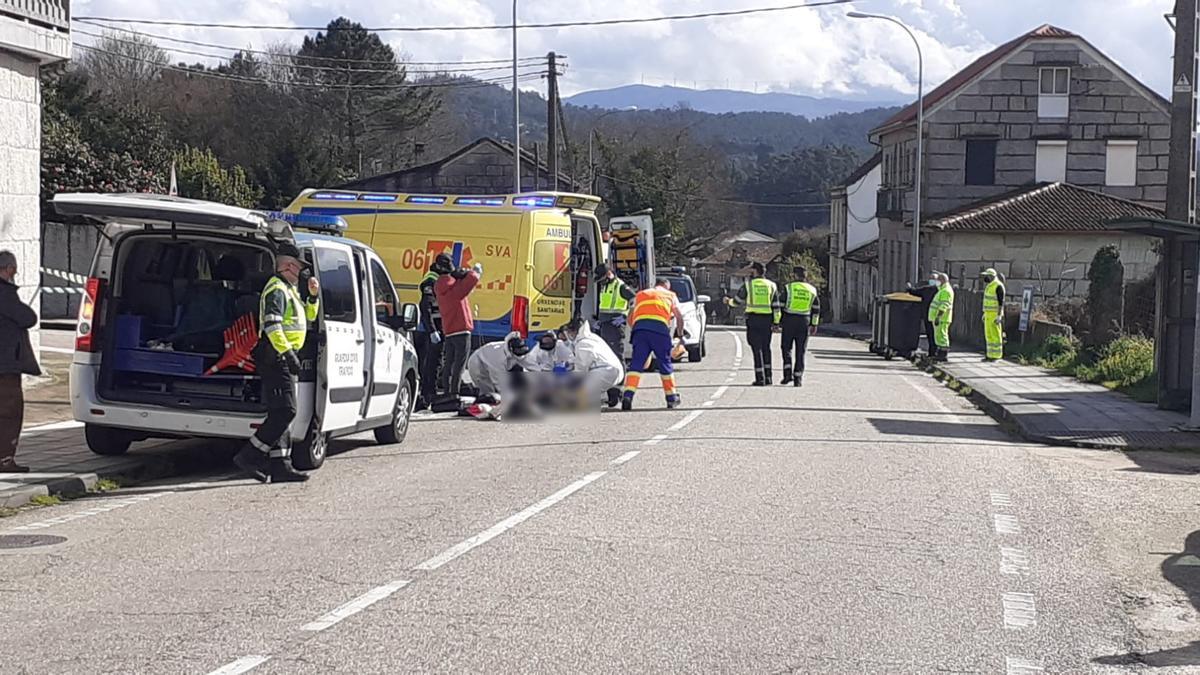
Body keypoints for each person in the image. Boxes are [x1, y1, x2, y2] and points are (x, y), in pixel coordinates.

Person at [233, 243, 319, 483]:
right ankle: (250, 455)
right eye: (301, 268)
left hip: (283, 354)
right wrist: (288, 354)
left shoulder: (289, 289)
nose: (303, 273)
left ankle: (281, 465)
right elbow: (272, 325)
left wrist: (313, 297)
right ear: (289, 265)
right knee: (286, 410)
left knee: (282, 411)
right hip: (276, 355)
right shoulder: (277, 289)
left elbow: (309, 318)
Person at [621, 278, 685, 410]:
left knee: (636, 365)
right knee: (664, 363)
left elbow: (630, 318)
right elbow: (679, 317)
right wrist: (680, 336)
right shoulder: (670, 295)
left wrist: (638, 329)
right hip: (660, 331)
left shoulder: (641, 294)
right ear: (666, 286)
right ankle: (671, 398)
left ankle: (628, 396)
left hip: (640, 331)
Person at [0, 250, 38, 473]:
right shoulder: (4, 293)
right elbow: (28, 317)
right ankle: (5, 459)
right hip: (4, 364)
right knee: (9, 412)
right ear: (9, 269)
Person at [434, 260, 482, 400]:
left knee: (449, 363)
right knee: (459, 365)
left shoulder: (440, 287)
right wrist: (474, 270)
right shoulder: (456, 289)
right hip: (462, 330)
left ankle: (447, 391)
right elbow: (472, 279)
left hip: (449, 330)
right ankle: (454, 392)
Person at [728, 262, 780, 385]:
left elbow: (737, 301)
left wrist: (728, 301)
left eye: (752, 270)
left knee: (757, 349)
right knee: (766, 348)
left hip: (754, 320)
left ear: (755, 271)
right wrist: (776, 322)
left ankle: (760, 378)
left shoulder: (749, 285)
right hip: (767, 320)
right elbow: (776, 307)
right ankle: (768, 377)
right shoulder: (772, 285)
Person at [415, 254, 452, 409]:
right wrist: (432, 330)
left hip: (438, 326)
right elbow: (426, 308)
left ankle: (430, 392)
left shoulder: (439, 277)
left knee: (436, 361)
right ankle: (427, 394)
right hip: (430, 327)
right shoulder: (430, 281)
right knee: (431, 363)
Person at [563, 318, 625, 408]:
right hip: (614, 370)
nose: (568, 335)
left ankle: (593, 400)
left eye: (569, 332)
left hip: (604, 372)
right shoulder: (593, 337)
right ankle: (605, 397)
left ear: (574, 332)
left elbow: (581, 368)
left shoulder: (582, 343)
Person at [779, 266, 821, 387]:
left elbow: (781, 304)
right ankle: (798, 378)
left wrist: (778, 321)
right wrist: (814, 324)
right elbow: (816, 309)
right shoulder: (812, 290)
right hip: (804, 321)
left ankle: (787, 375)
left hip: (789, 320)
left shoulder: (789, 288)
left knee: (786, 348)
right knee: (800, 350)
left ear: (794, 275)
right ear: (805, 276)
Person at [465, 331, 533, 402]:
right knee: (489, 394)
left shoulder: (516, 353)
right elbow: (500, 382)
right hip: (478, 364)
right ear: (511, 349)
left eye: (522, 350)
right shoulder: (499, 358)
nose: (521, 353)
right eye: (518, 351)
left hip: (500, 363)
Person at [593, 264, 636, 358]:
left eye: (602, 279)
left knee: (616, 355)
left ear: (609, 274)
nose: (601, 282)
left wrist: (625, 316)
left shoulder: (621, 286)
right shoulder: (605, 286)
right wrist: (600, 320)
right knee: (606, 355)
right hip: (605, 324)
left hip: (615, 325)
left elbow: (634, 300)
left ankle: (621, 372)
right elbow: (604, 305)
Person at [907, 274, 942, 360]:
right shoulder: (927, 289)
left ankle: (935, 353)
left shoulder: (940, 291)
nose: (932, 280)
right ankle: (932, 353)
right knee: (930, 336)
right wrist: (909, 288)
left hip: (937, 317)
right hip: (929, 316)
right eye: (931, 278)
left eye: (934, 279)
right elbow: (914, 292)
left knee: (935, 336)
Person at [981, 268, 1006, 362]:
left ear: (992, 276)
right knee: (988, 335)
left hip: (995, 314)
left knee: (995, 335)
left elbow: (1001, 303)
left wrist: (999, 316)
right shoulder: (989, 286)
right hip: (988, 314)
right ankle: (989, 354)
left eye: (986, 276)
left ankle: (997, 355)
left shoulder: (998, 286)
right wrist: (984, 313)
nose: (985, 278)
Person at [929, 272, 954, 362]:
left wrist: (938, 317)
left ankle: (943, 354)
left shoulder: (945, 291)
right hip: (940, 318)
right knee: (939, 336)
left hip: (942, 318)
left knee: (942, 336)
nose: (936, 281)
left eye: (938, 280)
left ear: (943, 280)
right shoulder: (942, 290)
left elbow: (944, 305)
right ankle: (940, 353)